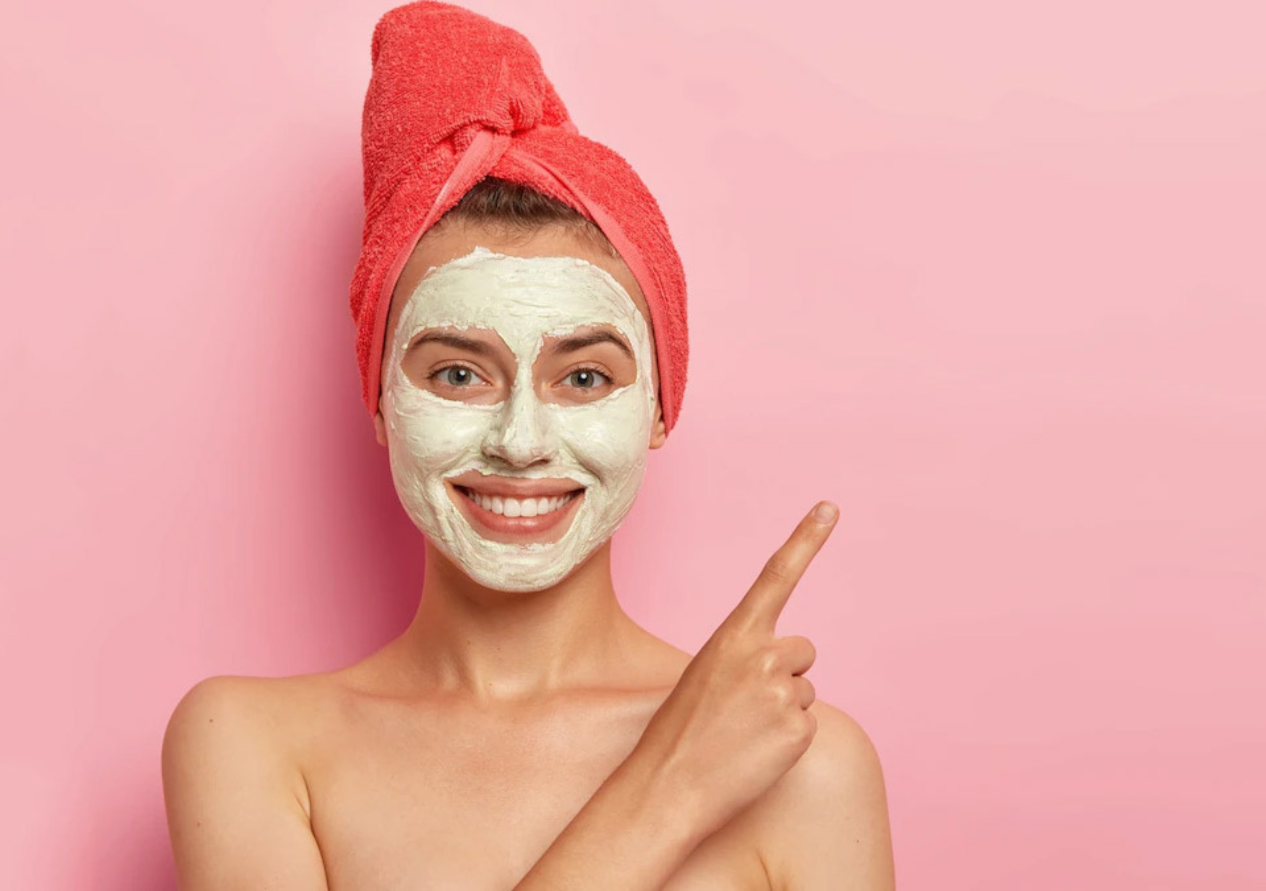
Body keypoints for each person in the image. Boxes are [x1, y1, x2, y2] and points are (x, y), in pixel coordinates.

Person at [162, 5, 895, 890]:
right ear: (381, 401)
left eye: (583, 378)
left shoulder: (805, 765)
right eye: (458, 375)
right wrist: (667, 790)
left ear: (660, 407)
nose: (519, 440)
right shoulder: (253, 746)